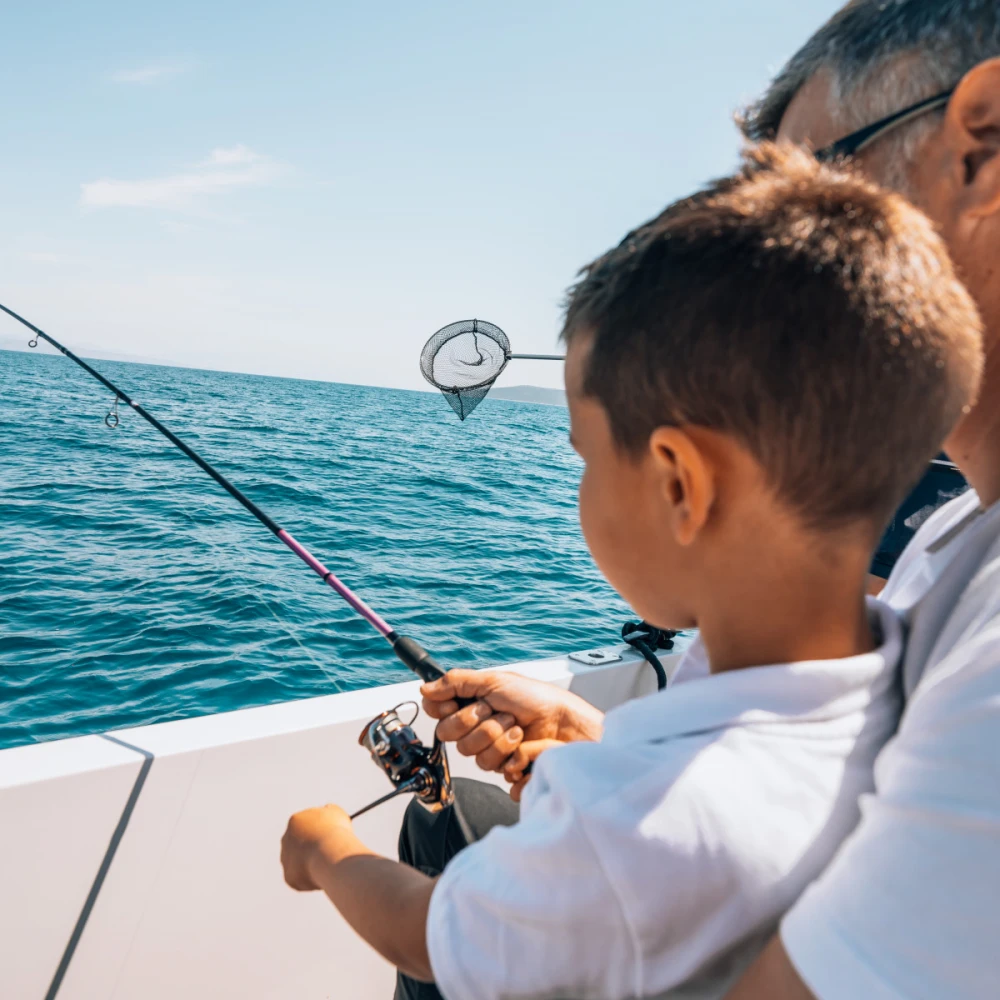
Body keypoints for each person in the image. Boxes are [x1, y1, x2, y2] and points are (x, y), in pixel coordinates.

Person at [279, 144, 983, 999]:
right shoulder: (909, 679)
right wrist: (587, 737)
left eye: (585, 458)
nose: (580, 488)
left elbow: (433, 938)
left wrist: (325, 851)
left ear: (681, 484)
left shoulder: (638, 826)